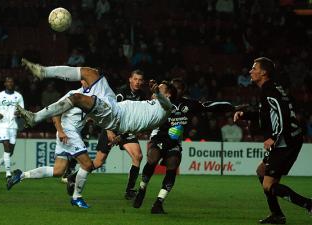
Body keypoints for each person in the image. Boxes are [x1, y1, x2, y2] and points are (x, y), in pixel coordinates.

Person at [15, 58, 173, 207]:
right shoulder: (151, 101)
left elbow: (165, 104)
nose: (156, 89)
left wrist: (159, 94)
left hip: (114, 117)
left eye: (160, 89)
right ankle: (43, 72)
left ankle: (35, 118)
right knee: (90, 72)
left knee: (76, 98)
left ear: (168, 95)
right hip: (112, 105)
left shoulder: (166, 106)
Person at [133, 79, 241, 214]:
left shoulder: (189, 104)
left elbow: (210, 106)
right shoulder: (161, 101)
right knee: (152, 160)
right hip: (159, 137)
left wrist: (232, 107)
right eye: (173, 87)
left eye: (178, 88)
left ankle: (159, 202)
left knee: (173, 164)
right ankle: (142, 188)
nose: (175, 89)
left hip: (174, 142)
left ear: (182, 91)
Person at [234, 57, 311, 224]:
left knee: (269, 184)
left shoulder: (269, 91)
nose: (250, 71)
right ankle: (277, 214)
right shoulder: (272, 89)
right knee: (262, 172)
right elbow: (268, 114)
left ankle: (309, 204)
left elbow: (281, 115)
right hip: (289, 138)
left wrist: (273, 137)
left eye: (254, 68)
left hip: (286, 141)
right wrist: (245, 114)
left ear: (263, 72)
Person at [7, 81, 100, 209]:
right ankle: (76, 197)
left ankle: (21, 175)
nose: (90, 83)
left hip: (70, 134)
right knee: (87, 164)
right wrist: (61, 131)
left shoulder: (94, 98)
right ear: (82, 81)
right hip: (67, 133)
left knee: (58, 171)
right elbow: (55, 112)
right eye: (87, 80)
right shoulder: (73, 94)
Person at [93, 69, 147, 200]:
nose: (137, 82)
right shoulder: (121, 92)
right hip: (111, 127)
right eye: (135, 79)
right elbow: (109, 110)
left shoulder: (142, 96)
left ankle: (129, 191)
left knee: (138, 156)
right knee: (98, 162)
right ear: (130, 79)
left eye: (140, 80)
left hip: (126, 130)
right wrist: (109, 130)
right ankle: (74, 176)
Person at [0, 76, 24, 180]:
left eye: (11, 82)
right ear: (5, 84)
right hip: (2, 125)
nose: (9, 83)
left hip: (13, 125)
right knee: (6, 146)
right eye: (8, 82)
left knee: (11, 151)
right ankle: (8, 173)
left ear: (14, 84)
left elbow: (22, 110)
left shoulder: (18, 96)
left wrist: (19, 113)